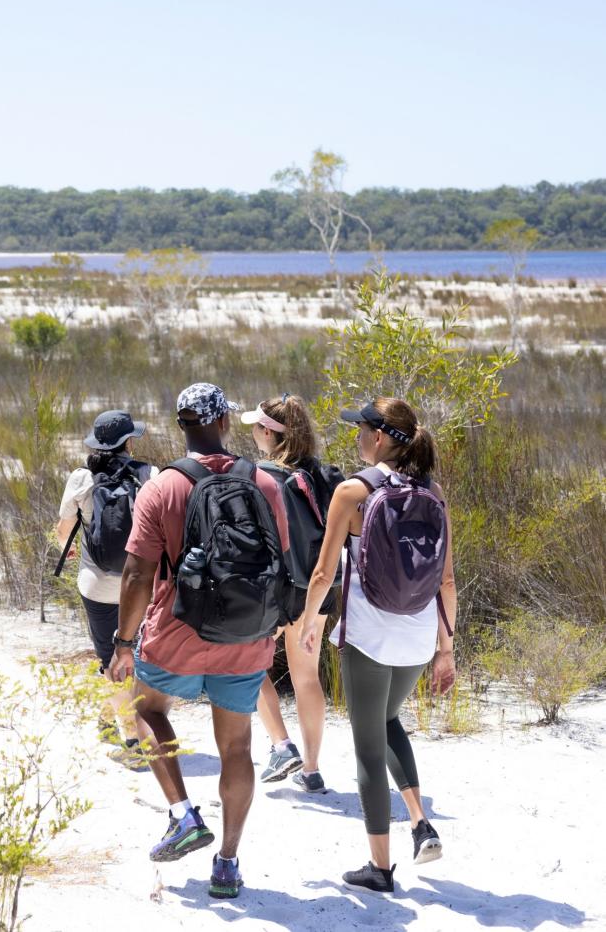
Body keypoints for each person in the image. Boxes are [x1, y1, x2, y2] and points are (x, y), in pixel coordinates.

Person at [109, 383, 290, 900]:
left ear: (181, 426)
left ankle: (182, 813)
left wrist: (124, 643)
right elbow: (279, 560)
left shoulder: (162, 487)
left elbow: (137, 574)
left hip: (176, 630)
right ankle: (228, 863)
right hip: (245, 635)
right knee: (237, 746)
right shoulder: (265, 483)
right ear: (226, 423)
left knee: (146, 709)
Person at [299, 397, 457, 895]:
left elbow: (325, 572)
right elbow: (447, 580)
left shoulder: (353, 492)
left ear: (383, 437)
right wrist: (446, 649)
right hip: (416, 634)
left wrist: (308, 622)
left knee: (367, 747)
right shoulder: (432, 491)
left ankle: (380, 868)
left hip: (368, 635)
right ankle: (419, 821)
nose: (357, 437)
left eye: (362, 429)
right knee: (388, 721)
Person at [241, 394, 343, 792]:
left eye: (256, 426)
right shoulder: (327, 475)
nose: (253, 433)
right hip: (318, 587)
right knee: (306, 676)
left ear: (269, 432)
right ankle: (312, 769)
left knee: (250, 665)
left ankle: (282, 745)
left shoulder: (259, 475)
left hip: (277, 589)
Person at [57, 408, 155, 757]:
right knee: (132, 658)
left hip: (96, 585)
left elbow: (63, 532)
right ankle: (117, 724)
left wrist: (69, 549)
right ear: (129, 442)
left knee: (110, 660)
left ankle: (129, 739)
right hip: (141, 584)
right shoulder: (149, 474)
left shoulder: (82, 478)